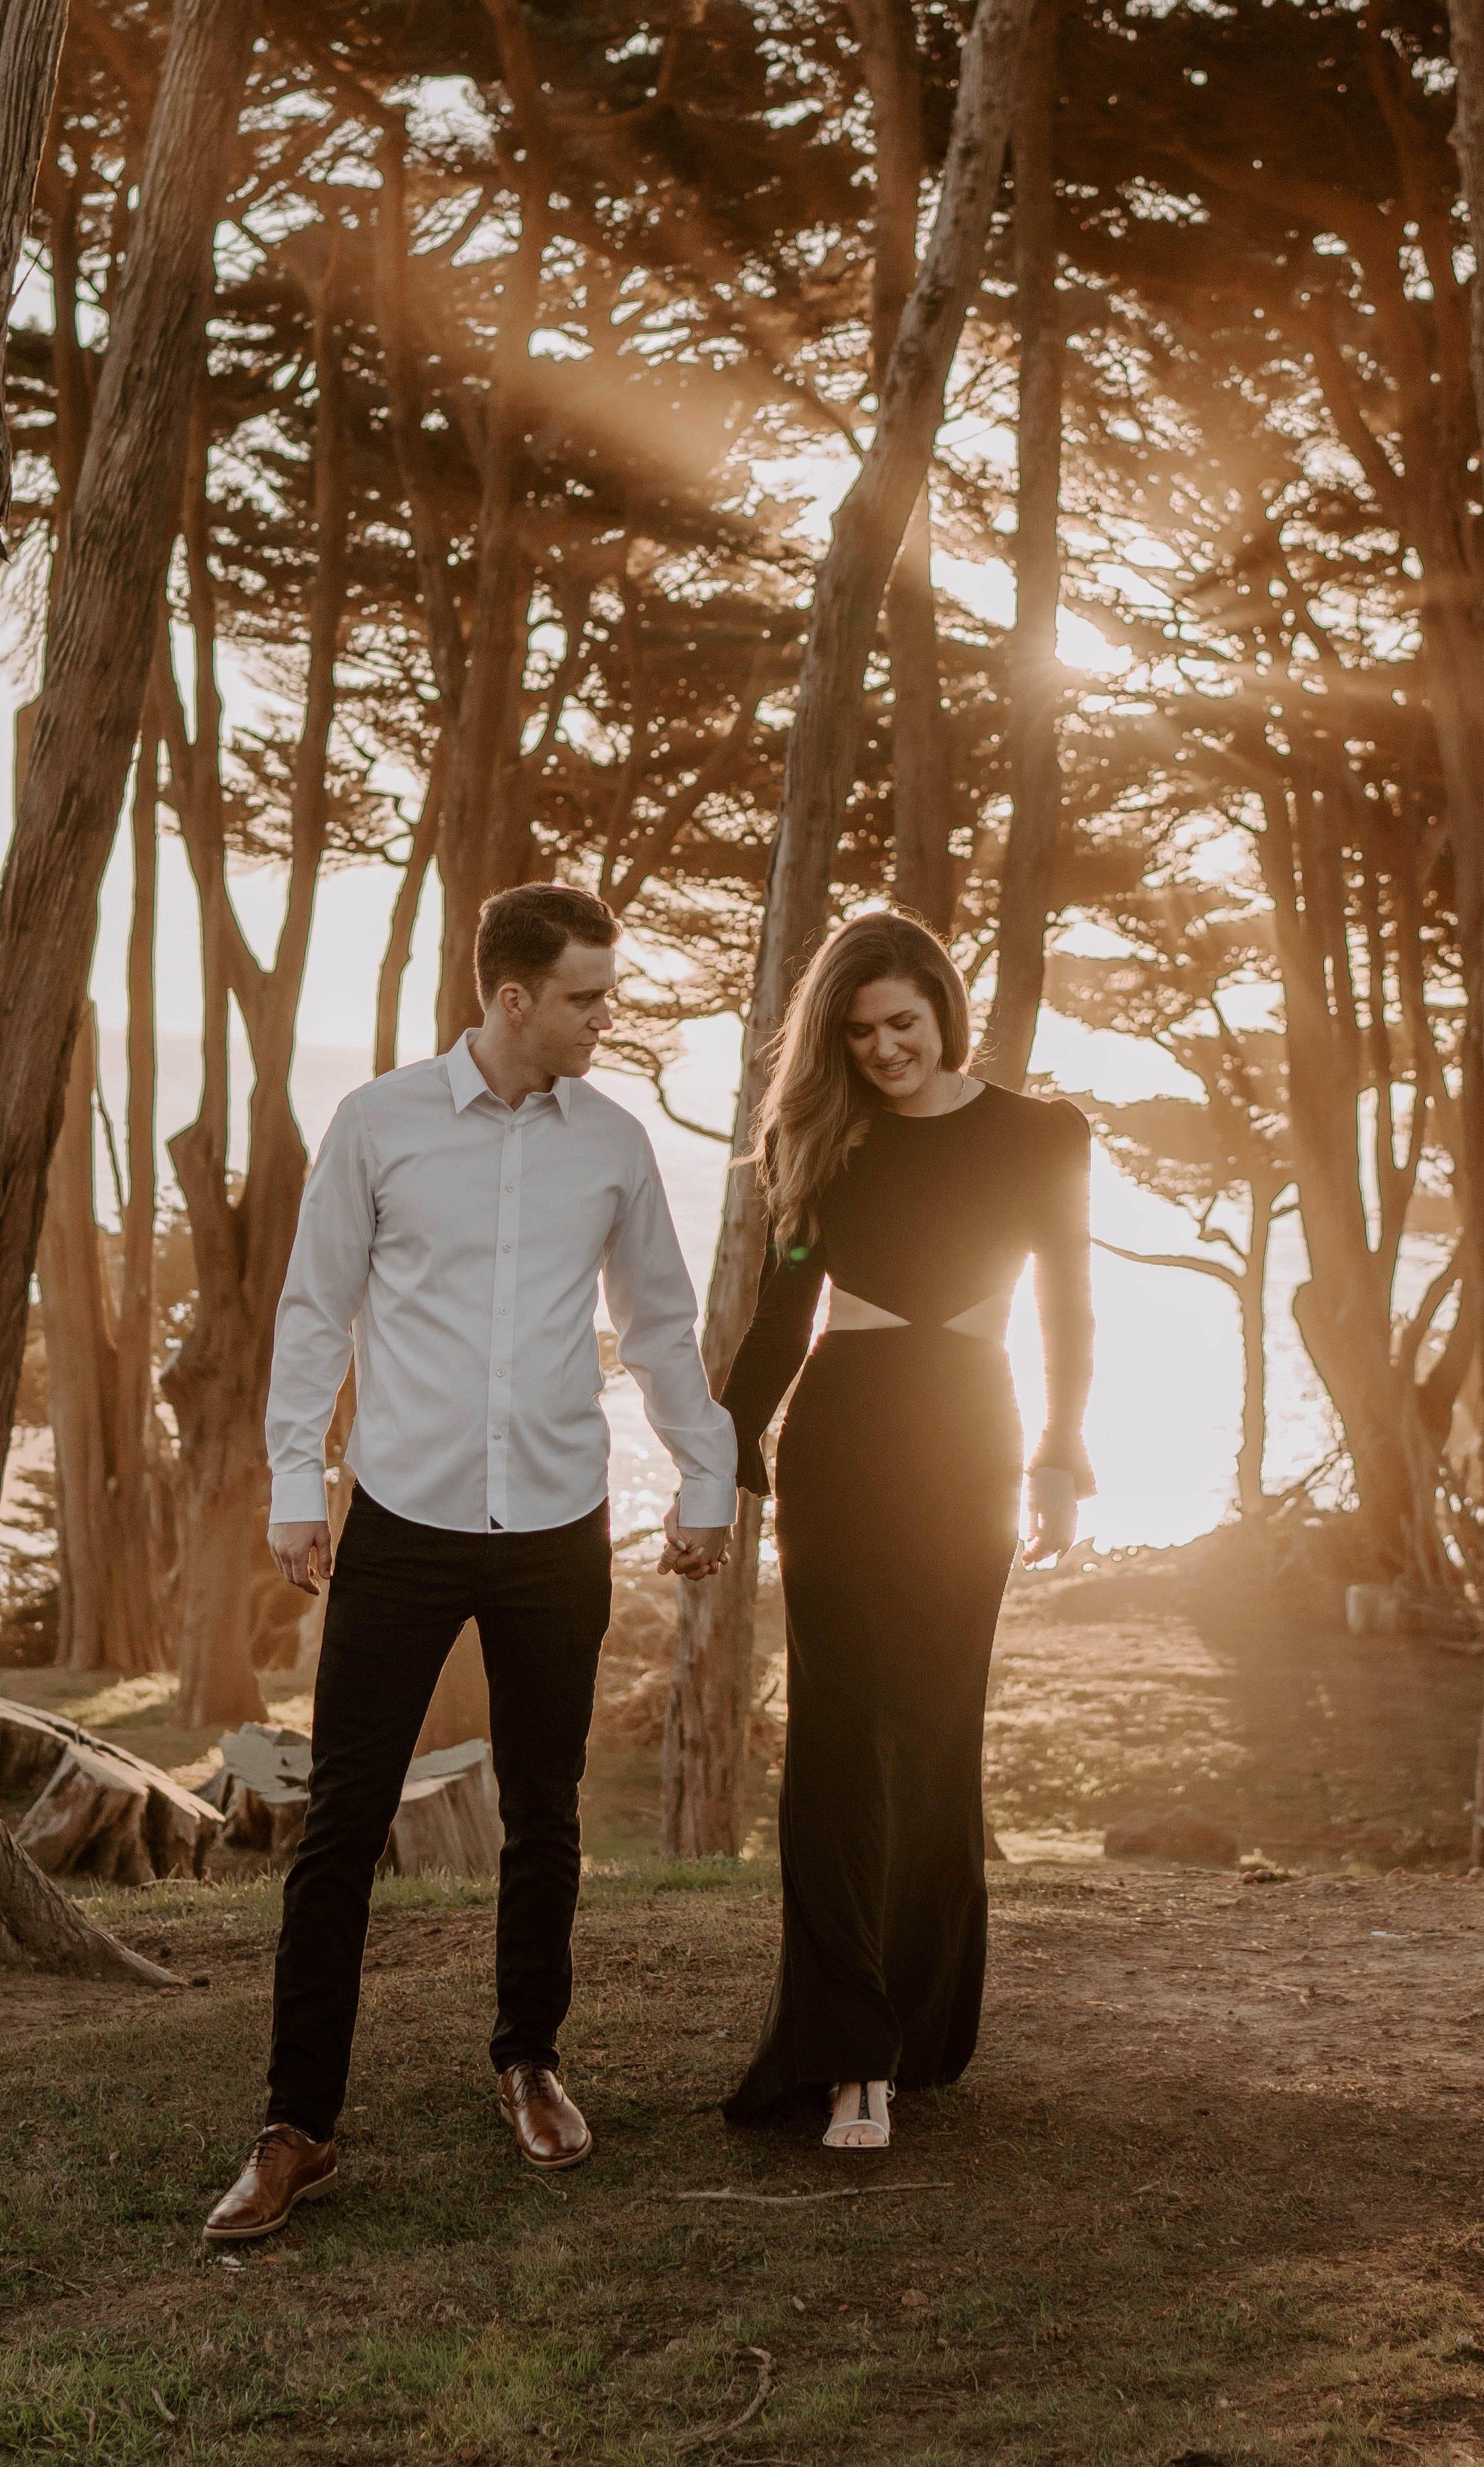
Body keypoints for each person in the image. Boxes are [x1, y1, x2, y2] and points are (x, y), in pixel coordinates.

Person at [203, 883, 739, 2243]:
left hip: (557, 1523)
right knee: (342, 1822)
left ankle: (530, 2061)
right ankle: (297, 2125)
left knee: (545, 1810)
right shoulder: (379, 1123)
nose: (607, 1017)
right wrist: (295, 1486)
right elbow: (316, 1309)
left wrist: (707, 1474)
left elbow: (659, 1326)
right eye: (585, 997)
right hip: (403, 1521)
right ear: (512, 998)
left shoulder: (613, 1144)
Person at [718, 911, 1095, 2149]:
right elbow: (783, 1320)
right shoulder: (821, 1137)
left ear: (943, 1005)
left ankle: (920, 2033)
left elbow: (1069, 1309)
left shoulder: (1041, 1133)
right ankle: (847, 2055)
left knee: (935, 1736)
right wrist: (724, 1455)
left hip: (971, 1443)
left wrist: (1060, 1457)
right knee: (837, 1739)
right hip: (842, 1445)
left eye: (901, 1022)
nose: (882, 1048)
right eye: (858, 1031)